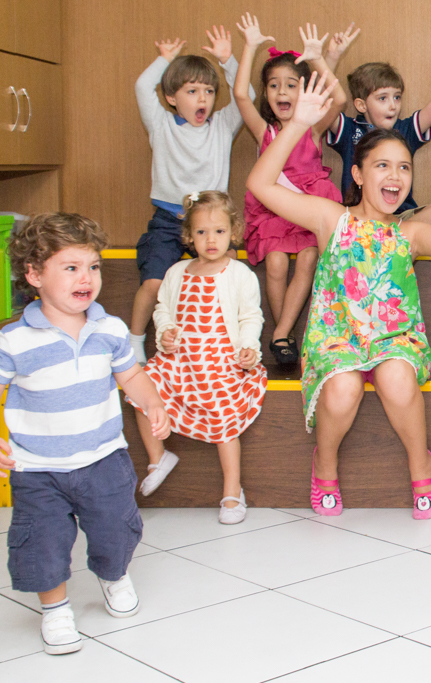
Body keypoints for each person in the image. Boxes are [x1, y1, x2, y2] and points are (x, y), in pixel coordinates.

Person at [246, 73, 431, 519]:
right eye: (382, 166)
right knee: (342, 388)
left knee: (396, 379)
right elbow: (261, 185)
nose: (396, 176)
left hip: (395, 339)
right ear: (356, 174)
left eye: (405, 167)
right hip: (336, 338)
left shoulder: (409, 232)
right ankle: (325, 465)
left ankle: (421, 466)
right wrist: (298, 125)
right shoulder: (331, 218)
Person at [0, 213, 170, 654]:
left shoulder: (109, 329)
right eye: (71, 267)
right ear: (34, 275)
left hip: (104, 458)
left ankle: (113, 575)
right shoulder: (14, 341)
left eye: (93, 266)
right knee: (42, 541)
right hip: (38, 468)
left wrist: (152, 402)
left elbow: (131, 375)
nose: (86, 277)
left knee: (116, 529)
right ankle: (55, 610)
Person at [128, 192, 268, 525]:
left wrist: (248, 347)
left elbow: (251, 316)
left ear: (233, 232)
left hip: (222, 361)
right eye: (202, 232)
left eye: (219, 231)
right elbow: (163, 310)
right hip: (181, 361)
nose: (210, 240)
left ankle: (232, 489)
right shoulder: (177, 272)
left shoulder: (239, 274)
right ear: (189, 235)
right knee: (140, 390)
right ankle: (158, 456)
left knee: (223, 414)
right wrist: (165, 332)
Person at [235, 15, 357, 366]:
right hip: (274, 211)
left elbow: (340, 97)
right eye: (274, 86)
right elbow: (240, 94)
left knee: (307, 259)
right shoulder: (265, 131)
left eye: (291, 85)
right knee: (275, 263)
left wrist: (317, 58)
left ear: (304, 92)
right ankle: (284, 334)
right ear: (266, 93)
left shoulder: (313, 129)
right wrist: (250, 47)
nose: (282, 92)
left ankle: (281, 333)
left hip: (307, 208)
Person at [130, 27, 253, 364]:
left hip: (211, 221)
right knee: (154, 283)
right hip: (168, 221)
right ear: (172, 97)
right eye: (192, 91)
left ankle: (230, 343)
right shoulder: (161, 124)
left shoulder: (223, 125)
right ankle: (135, 340)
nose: (203, 99)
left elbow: (246, 94)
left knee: (229, 277)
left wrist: (228, 60)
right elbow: (142, 87)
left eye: (209, 91)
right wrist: (165, 60)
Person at [324, 29, 431, 226]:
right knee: (327, 214)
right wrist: (332, 57)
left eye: (397, 97)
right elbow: (322, 102)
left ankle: (393, 238)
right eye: (382, 98)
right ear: (361, 105)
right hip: (358, 221)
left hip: (400, 221)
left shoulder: (404, 129)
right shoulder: (349, 129)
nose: (393, 105)